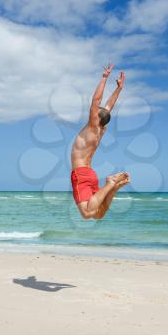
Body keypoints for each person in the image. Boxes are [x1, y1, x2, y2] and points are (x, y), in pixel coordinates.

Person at [71, 64, 130, 219]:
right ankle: (114, 188)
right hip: (90, 173)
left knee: (86, 214)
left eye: (95, 112)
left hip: (81, 174)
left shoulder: (92, 127)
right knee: (98, 214)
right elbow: (108, 106)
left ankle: (110, 183)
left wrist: (105, 78)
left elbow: (96, 100)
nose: (94, 110)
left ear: (96, 117)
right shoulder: (100, 130)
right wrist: (119, 89)